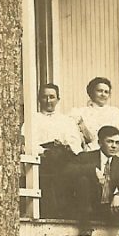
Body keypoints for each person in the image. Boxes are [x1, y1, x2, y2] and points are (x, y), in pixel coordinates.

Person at [26, 83, 83, 218]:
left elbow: (75, 143)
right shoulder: (32, 119)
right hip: (43, 157)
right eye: (45, 97)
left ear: (58, 99)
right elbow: (28, 142)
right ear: (39, 99)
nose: (48, 101)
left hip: (63, 155)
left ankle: (66, 212)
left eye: (52, 97)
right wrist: (43, 151)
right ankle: (52, 212)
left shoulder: (66, 121)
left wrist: (66, 146)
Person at [71, 125, 119, 236]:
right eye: (110, 142)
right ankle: (85, 228)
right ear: (100, 143)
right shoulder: (85, 157)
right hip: (84, 208)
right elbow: (67, 171)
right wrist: (92, 171)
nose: (114, 146)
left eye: (117, 142)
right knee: (83, 180)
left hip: (106, 208)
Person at [70, 76, 119, 174]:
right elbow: (76, 139)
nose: (103, 94)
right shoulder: (80, 113)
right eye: (99, 91)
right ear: (91, 92)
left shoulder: (116, 113)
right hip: (92, 153)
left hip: (117, 151)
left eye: (106, 92)